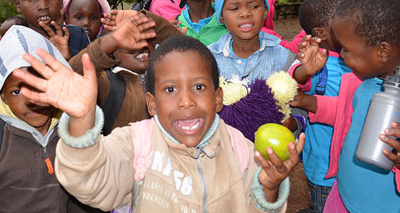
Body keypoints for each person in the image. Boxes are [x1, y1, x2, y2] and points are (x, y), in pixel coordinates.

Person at [16, 36, 305, 213]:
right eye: (170, 90)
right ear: (151, 104)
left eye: (200, 87)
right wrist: (81, 119)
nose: (186, 102)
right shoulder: (136, 143)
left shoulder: (240, 148)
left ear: (219, 98)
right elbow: (89, 182)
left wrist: (267, 188)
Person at [291, 0, 400, 213]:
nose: (340, 55)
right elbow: (345, 111)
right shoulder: (361, 82)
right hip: (343, 194)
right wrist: (307, 101)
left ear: (382, 52)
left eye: (347, 50)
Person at [0, 25, 99, 212]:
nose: (31, 98)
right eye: (16, 91)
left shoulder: (75, 127)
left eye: (40, 85)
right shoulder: (3, 137)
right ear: (3, 96)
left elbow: (89, 190)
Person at [208, 0, 299, 140]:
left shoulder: (283, 57)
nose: (245, 14)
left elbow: (298, 111)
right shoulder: (208, 59)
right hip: (222, 153)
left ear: (265, 11)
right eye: (234, 8)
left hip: (269, 156)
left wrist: (291, 124)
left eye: (254, 6)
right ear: (221, 17)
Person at [69, 9, 182, 133]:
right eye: (131, 41)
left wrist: (143, 18)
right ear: (112, 52)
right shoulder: (106, 83)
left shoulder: (169, 77)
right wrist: (110, 41)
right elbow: (72, 74)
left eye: (147, 39)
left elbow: (186, 48)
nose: (142, 45)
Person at [288, 0, 351, 213]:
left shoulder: (360, 58)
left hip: (354, 165)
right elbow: (293, 82)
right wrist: (305, 70)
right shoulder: (317, 61)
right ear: (321, 33)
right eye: (347, 20)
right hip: (323, 169)